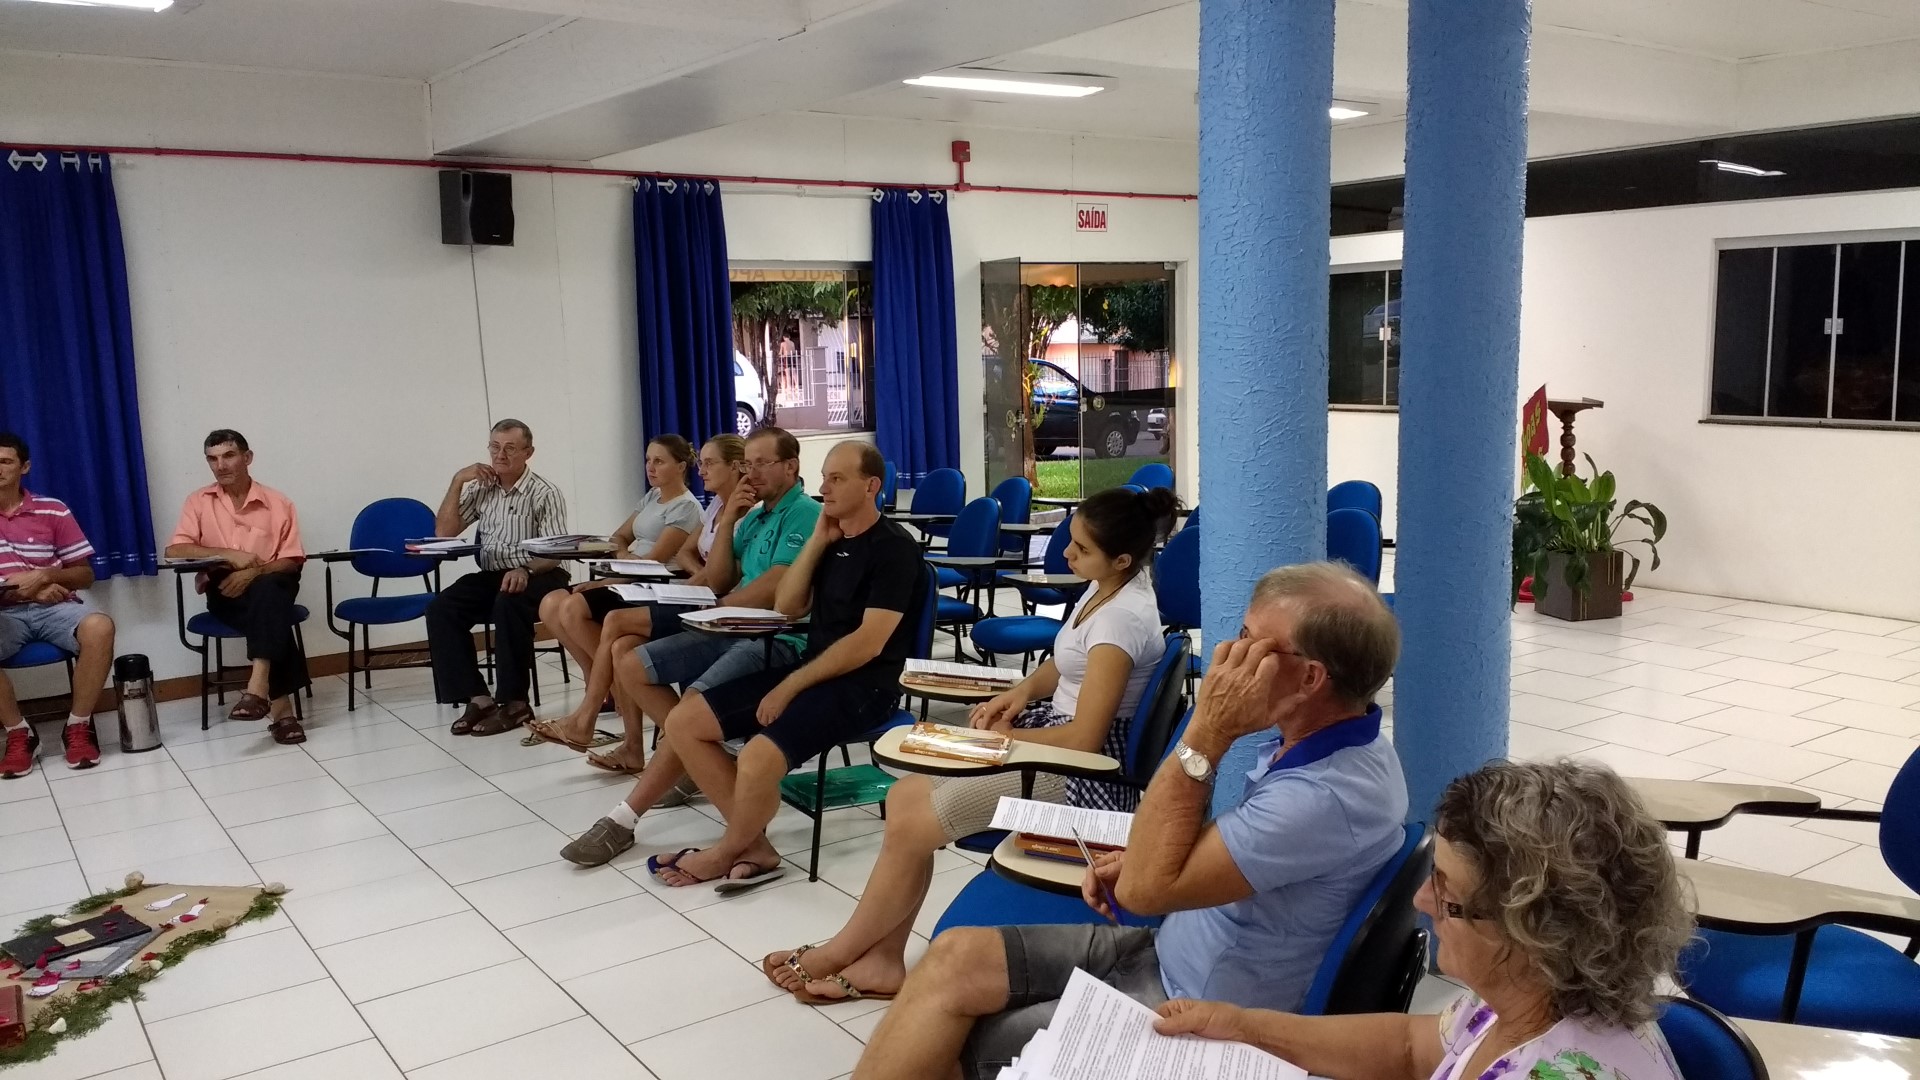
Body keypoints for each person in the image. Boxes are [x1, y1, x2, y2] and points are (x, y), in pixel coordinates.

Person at [854, 562, 1408, 1080]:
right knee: (953, 956)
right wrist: (1146, 861)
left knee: (951, 1041)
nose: (1228, 655)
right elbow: (1206, 864)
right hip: (1166, 948)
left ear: (1310, 678)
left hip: (1194, 1005)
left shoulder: (1322, 797)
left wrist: (1209, 730)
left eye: (1250, 644)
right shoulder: (1332, 744)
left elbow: (1144, 892)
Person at [765, 486, 1177, 1003]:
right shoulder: (1106, 587)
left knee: (914, 823)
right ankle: (883, 962)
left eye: (1081, 549)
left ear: (1120, 559)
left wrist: (1009, 740)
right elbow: (1065, 661)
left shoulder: (1121, 620)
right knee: (904, 796)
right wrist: (1018, 692)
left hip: (1080, 775)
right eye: (1070, 540)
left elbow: (1085, 739)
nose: (1067, 554)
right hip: (1058, 744)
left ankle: (841, 950)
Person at [1152, 760, 1693, 1080]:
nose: (1421, 900)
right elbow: (1412, 1048)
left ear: (1532, 933)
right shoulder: (1532, 992)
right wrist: (1244, 1026)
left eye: (1447, 892)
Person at [637, 441, 924, 887]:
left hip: (867, 686)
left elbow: (868, 644)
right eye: (824, 477)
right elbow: (788, 607)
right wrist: (817, 542)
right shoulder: (831, 539)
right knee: (684, 722)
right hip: (815, 669)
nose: (824, 489)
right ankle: (754, 847)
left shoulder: (894, 549)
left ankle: (726, 850)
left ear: (871, 486)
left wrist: (789, 686)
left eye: (837, 479)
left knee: (757, 754)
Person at [558, 427, 819, 863]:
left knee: (684, 718)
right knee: (631, 664)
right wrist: (730, 521)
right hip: (728, 625)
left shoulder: (804, 514)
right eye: (748, 463)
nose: (751, 472)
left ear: (791, 467)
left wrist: (718, 606)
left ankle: (624, 818)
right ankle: (703, 762)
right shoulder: (755, 515)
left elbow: (776, 586)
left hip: (774, 636)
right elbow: (719, 576)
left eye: (762, 463)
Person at [529, 434, 702, 745]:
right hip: (627, 574)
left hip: (650, 585)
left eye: (659, 461)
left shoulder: (686, 507)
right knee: (551, 603)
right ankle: (601, 683)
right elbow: (617, 538)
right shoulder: (652, 497)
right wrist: (623, 558)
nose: (650, 467)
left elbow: (653, 562)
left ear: (680, 466)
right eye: (648, 460)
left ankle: (608, 690)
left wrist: (614, 573)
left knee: (573, 606)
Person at [424, 419, 569, 737]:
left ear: (528, 452)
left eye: (510, 448)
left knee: (509, 601)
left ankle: (516, 704)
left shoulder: (544, 492)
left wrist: (525, 570)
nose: (500, 455)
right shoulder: (482, 488)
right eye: (495, 447)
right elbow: (444, 531)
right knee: (441, 608)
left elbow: (556, 552)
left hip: (541, 572)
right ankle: (479, 699)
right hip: (495, 574)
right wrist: (458, 480)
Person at [164, 429, 311, 744]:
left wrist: (254, 572)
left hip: (275, 580)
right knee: (272, 614)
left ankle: (258, 688)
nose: (220, 465)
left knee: (268, 590)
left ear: (247, 457)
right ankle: (282, 711)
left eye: (228, 456)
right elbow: (174, 551)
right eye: (212, 459)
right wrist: (228, 554)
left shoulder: (278, 502)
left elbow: (292, 560)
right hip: (226, 590)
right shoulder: (198, 501)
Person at [0, 433, 115, 777]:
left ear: (24, 467)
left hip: (56, 609)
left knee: (100, 626)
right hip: (4, 613)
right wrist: (24, 591)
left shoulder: (53, 509)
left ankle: (78, 726)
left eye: (5, 461)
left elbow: (85, 575)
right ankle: (18, 733)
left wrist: (46, 575)